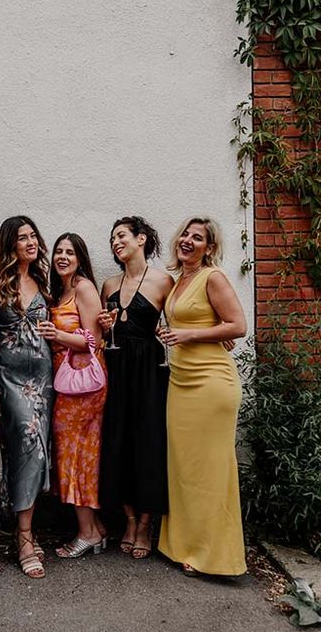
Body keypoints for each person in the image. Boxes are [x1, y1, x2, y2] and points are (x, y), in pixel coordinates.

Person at [157, 217, 247, 577]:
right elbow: (200, 324)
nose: (188, 241)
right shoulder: (179, 281)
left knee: (211, 470)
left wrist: (190, 335)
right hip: (180, 382)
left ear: (209, 248)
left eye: (198, 238)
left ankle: (213, 555)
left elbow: (238, 326)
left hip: (211, 384)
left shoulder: (213, 277)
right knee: (184, 468)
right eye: (185, 234)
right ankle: (183, 545)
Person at [0, 216, 54, 579]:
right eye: (22, 237)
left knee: (40, 450)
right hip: (10, 381)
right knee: (25, 444)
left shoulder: (42, 279)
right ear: (10, 244)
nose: (30, 241)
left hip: (44, 379)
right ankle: (24, 537)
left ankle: (26, 528)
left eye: (33, 236)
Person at [98, 216, 173, 559]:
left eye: (122, 236)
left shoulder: (163, 281)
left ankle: (145, 524)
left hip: (149, 370)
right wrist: (103, 324)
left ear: (141, 239)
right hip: (116, 367)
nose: (116, 242)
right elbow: (101, 333)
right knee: (118, 441)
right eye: (113, 238)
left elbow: (180, 320)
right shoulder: (109, 285)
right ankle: (128, 519)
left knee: (149, 442)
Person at [38, 233, 108, 558]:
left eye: (70, 252)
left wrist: (59, 335)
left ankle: (87, 532)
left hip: (84, 384)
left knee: (77, 453)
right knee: (73, 451)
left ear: (80, 258)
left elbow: (96, 341)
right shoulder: (60, 290)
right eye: (58, 251)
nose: (63, 256)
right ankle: (95, 527)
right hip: (65, 380)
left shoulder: (83, 287)